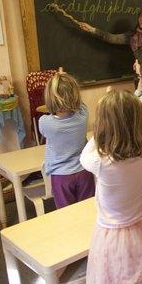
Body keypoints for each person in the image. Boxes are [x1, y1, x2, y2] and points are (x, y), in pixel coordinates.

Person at [81, 90, 142, 284]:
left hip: (115, 236)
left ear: (103, 126)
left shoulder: (101, 161)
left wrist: (101, 130)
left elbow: (84, 155)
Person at [38, 71, 95, 209]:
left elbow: (47, 125)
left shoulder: (45, 122)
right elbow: (80, 104)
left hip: (61, 176)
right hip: (84, 171)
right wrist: (66, 81)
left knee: (66, 216)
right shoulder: (83, 115)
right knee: (87, 210)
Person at [78, 7, 142, 85]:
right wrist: (92, 30)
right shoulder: (133, 36)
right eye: (140, 15)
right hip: (141, 77)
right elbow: (112, 38)